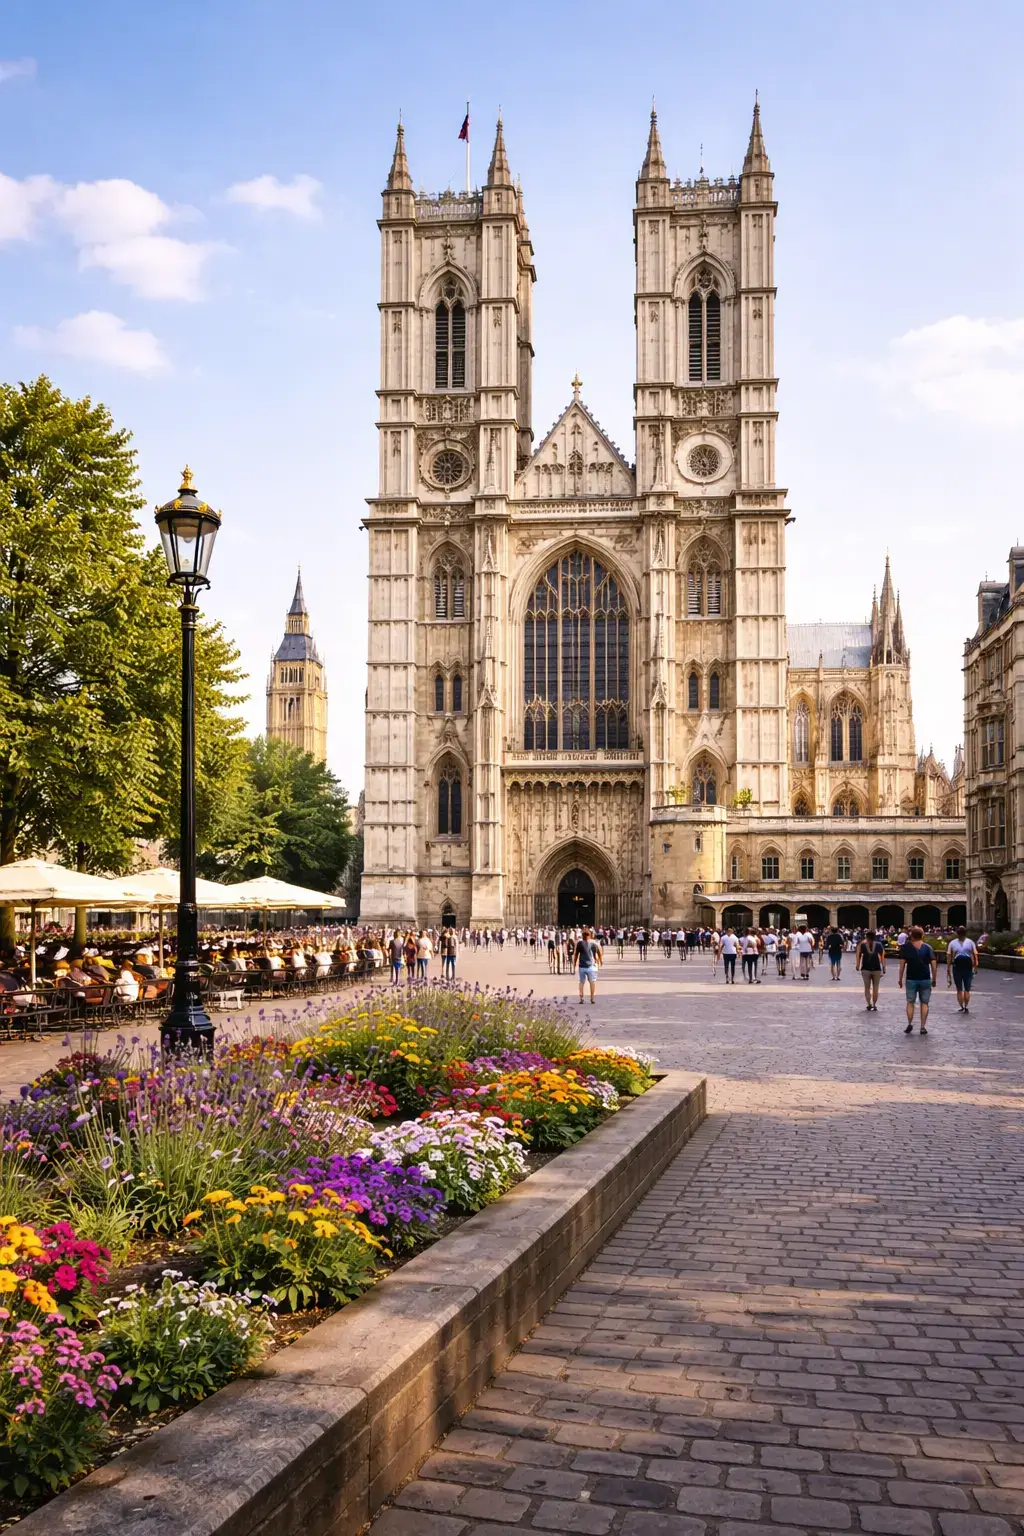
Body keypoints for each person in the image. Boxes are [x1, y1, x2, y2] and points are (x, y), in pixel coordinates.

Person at [898, 925, 937, 1035]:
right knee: (924, 1003)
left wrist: (900, 979)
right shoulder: (928, 948)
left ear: (911, 935)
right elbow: (934, 964)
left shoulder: (906, 948)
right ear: (922, 935)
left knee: (910, 1002)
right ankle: (922, 1026)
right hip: (925, 978)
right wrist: (934, 978)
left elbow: (902, 966)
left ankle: (910, 1023)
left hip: (911, 978)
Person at [946, 926, 978, 1014]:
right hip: (968, 966)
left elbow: (949, 956)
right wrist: (975, 966)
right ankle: (966, 1006)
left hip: (957, 966)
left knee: (959, 989)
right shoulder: (970, 942)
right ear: (966, 933)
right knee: (967, 988)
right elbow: (975, 954)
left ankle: (961, 1006)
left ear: (957, 933)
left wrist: (948, 968)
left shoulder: (952, 943)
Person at [856, 928, 885, 1010]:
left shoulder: (862, 945)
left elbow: (858, 954)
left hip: (865, 968)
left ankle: (869, 1004)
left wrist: (857, 965)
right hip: (877, 968)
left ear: (866, 937)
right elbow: (882, 957)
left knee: (867, 987)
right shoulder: (879, 945)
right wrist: (884, 967)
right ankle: (875, 1004)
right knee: (876, 987)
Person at [574, 926, 603, 1005]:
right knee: (592, 982)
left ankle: (581, 998)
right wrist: (600, 961)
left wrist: (574, 963)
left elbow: (576, 954)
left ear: (582, 936)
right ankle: (592, 998)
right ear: (589, 936)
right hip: (591, 966)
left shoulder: (580, 943)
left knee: (581, 982)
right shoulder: (593, 944)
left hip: (582, 966)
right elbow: (597, 954)